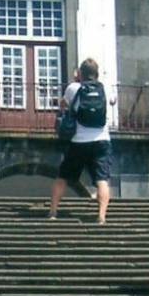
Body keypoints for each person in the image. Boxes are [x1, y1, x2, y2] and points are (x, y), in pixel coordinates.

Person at [49, 58, 113, 225]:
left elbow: (63, 105)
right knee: (102, 180)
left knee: (62, 177)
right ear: (97, 73)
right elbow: (112, 101)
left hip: (78, 141)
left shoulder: (73, 88)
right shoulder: (106, 88)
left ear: (80, 73)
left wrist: (75, 81)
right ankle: (101, 215)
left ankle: (53, 211)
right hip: (101, 140)